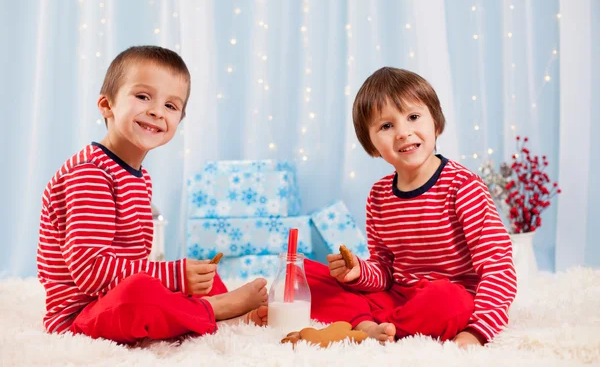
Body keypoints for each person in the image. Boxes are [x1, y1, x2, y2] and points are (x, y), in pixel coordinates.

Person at [37, 46, 268, 344]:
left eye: (171, 106)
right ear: (107, 105)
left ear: (179, 121)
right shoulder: (90, 173)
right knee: (142, 294)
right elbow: (90, 272)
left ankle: (216, 313)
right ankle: (214, 309)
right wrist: (172, 277)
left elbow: (134, 263)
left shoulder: (139, 176)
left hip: (115, 294)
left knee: (201, 274)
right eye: (143, 96)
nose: (157, 111)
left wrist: (180, 277)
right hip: (82, 315)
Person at [305, 67, 516, 348]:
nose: (403, 132)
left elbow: (498, 266)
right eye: (386, 126)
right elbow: (384, 270)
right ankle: (371, 326)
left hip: (448, 297)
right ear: (372, 144)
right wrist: (358, 272)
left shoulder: (463, 187)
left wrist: (477, 332)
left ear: (436, 124)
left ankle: (373, 326)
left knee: (449, 301)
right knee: (307, 275)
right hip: (398, 295)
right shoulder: (379, 195)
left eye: (413, 117)